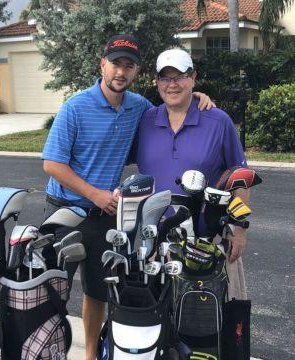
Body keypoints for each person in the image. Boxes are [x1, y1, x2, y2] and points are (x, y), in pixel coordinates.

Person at [41, 35, 213, 360]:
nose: (121, 71)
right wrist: (94, 194)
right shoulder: (75, 107)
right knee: (54, 293)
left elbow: (171, 107)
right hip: (65, 213)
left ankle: (90, 354)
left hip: (105, 217)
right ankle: (51, 352)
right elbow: (52, 164)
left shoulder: (139, 108)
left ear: (136, 72)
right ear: (102, 64)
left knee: (97, 292)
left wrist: (196, 96)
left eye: (129, 65)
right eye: (116, 63)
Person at [131, 48, 250, 298]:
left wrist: (239, 230)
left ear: (193, 78)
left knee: (212, 324)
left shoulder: (218, 121)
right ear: (157, 82)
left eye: (180, 77)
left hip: (208, 241)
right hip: (155, 242)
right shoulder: (145, 121)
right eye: (165, 78)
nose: (172, 85)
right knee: (158, 320)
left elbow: (241, 178)